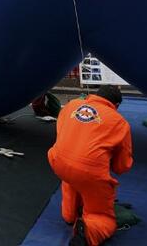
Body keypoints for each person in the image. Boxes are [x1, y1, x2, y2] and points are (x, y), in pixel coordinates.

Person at [47, 85, 133, 246]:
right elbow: (122, 166)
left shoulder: (71, 106)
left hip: (57, 161)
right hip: (88, 172)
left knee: (71, 178)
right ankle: (87, 232)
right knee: (101, 216)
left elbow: (62, 134)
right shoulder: (119, 122)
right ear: (117, 105)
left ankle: (69, 215)